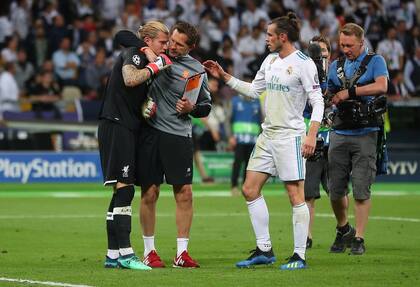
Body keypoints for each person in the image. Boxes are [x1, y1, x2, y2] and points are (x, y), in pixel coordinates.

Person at [204, 12, 324, 270]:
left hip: (290, 136)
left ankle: (299, 255)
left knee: (295, 195)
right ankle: (264, 249)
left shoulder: (304, 63)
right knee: (249, 189)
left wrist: (311, 134)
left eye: (270, 35)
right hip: (267, 135)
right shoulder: (269, 61)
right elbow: (254, 90)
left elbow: (317, 101)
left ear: (283, 36)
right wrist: (225, 77)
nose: (266, 39)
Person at [135, 21, 211, 268]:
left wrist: (192, 108)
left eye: (179, 44)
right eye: (171, 41)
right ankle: (149, 251)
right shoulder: (154, 55)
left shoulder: (197, 70)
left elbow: (206, 106)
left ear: (191, 47)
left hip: (179, 136)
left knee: (185, 193)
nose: (172, 47)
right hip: (152, 133)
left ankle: (181, 253)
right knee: (150, 192)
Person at [98, 20, 172, 271]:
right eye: (163, 42)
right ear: (149, 41)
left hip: (122, 125)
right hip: (118, 126)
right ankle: (128, 254)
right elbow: (130, 78)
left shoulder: (142, 53)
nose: (167, 46)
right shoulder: (137, 54)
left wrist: (145, 108)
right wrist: (155, 65)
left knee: (120, 190)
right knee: (126, 188)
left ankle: (112, 254)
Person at [327, 23, 388, 255]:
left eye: (349, 45)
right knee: (335, 191)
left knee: (362, 189)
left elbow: (382, 86)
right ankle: (344, 228)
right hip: (339, 133)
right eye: (342, 45)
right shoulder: (336, 65)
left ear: (361, 43)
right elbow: (329, 91)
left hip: (365, 132)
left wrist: (349, 93)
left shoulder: (375, 61)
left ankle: (359, 238)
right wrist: (329, 94)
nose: (345, 49)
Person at [303, 35, 337, 249]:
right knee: (309, 192)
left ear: (329, 53)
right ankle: (306, 236)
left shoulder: (338, 74)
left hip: (334, 138)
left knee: (337, 190)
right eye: (316, 50)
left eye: (323, 50)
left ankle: (343, 230)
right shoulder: (304, 72)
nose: (320, 54)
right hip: (312, 137)